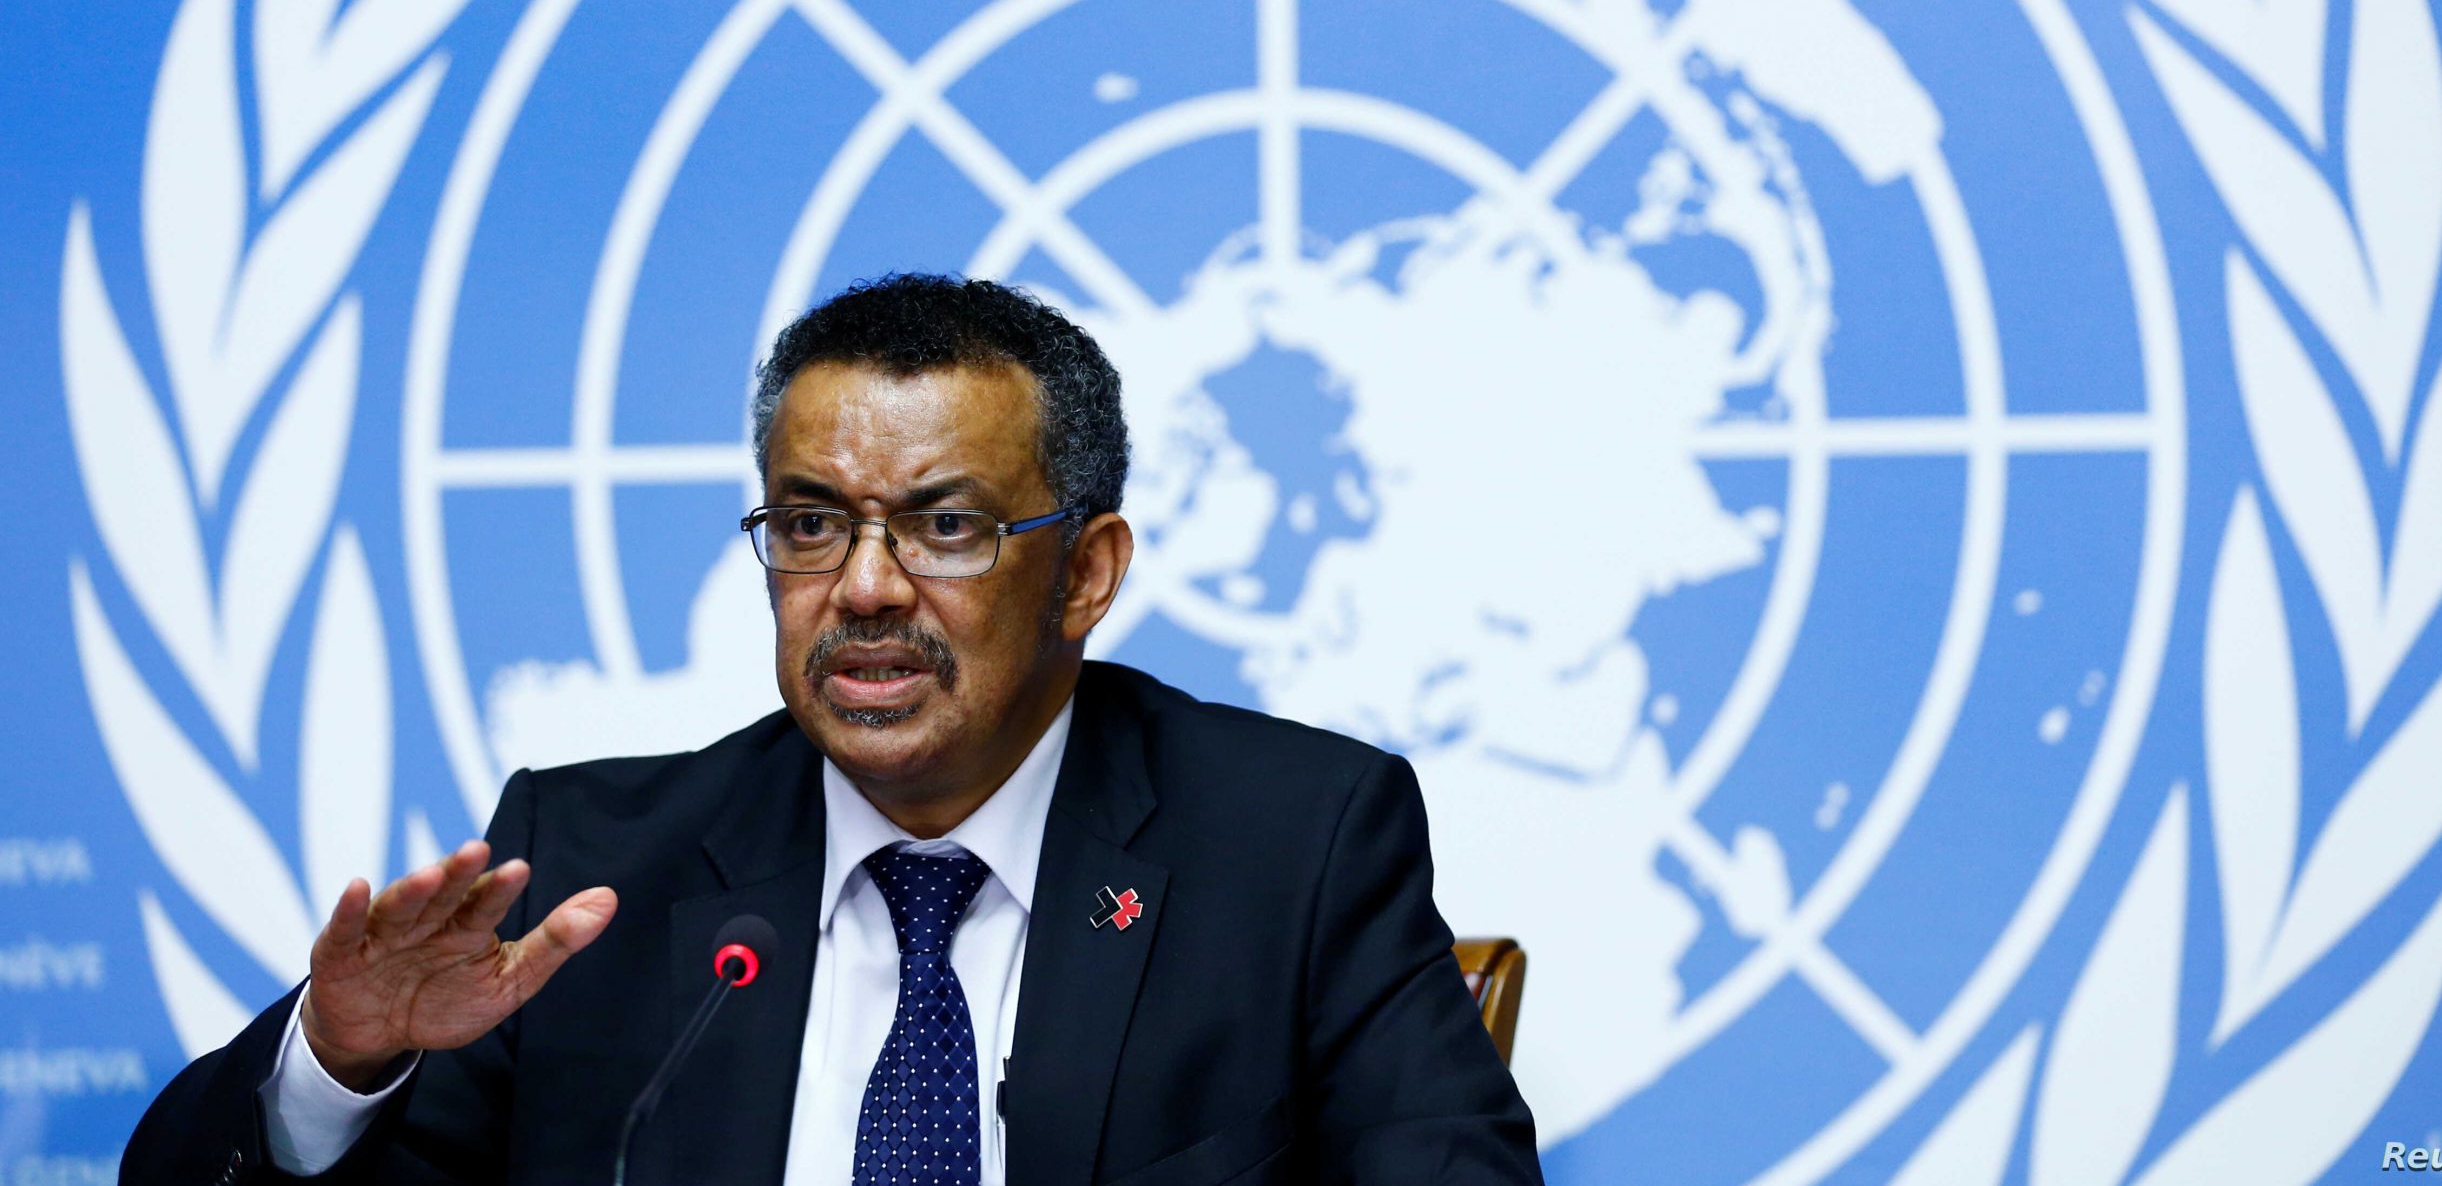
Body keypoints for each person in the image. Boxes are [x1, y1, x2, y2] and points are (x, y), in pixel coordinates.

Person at [120, 273, 1541, 1185]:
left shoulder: (1289, 846)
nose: (863, 589)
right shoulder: (596, 870)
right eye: (811, 525)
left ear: (1087, 573)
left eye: (946, 527)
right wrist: (345, 1065)